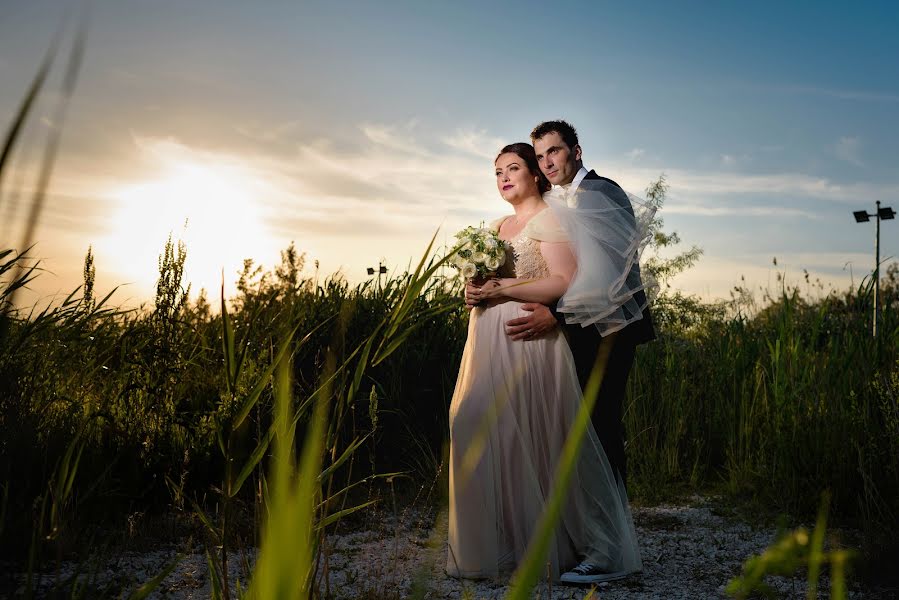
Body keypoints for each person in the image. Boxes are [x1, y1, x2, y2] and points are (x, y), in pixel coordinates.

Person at [446, 143, 642, 583]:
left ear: (536, 174)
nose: (503, 177)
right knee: (475, 423)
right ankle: (504, 543)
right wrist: (474, 292)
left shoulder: (552, 219)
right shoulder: (495, 226)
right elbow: (484, 281)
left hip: (530, 338)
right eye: (497, 172)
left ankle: (572, 545)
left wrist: (503, 289)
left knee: (534, 438)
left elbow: (561, 283)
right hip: (487, 338)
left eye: (513, 167)